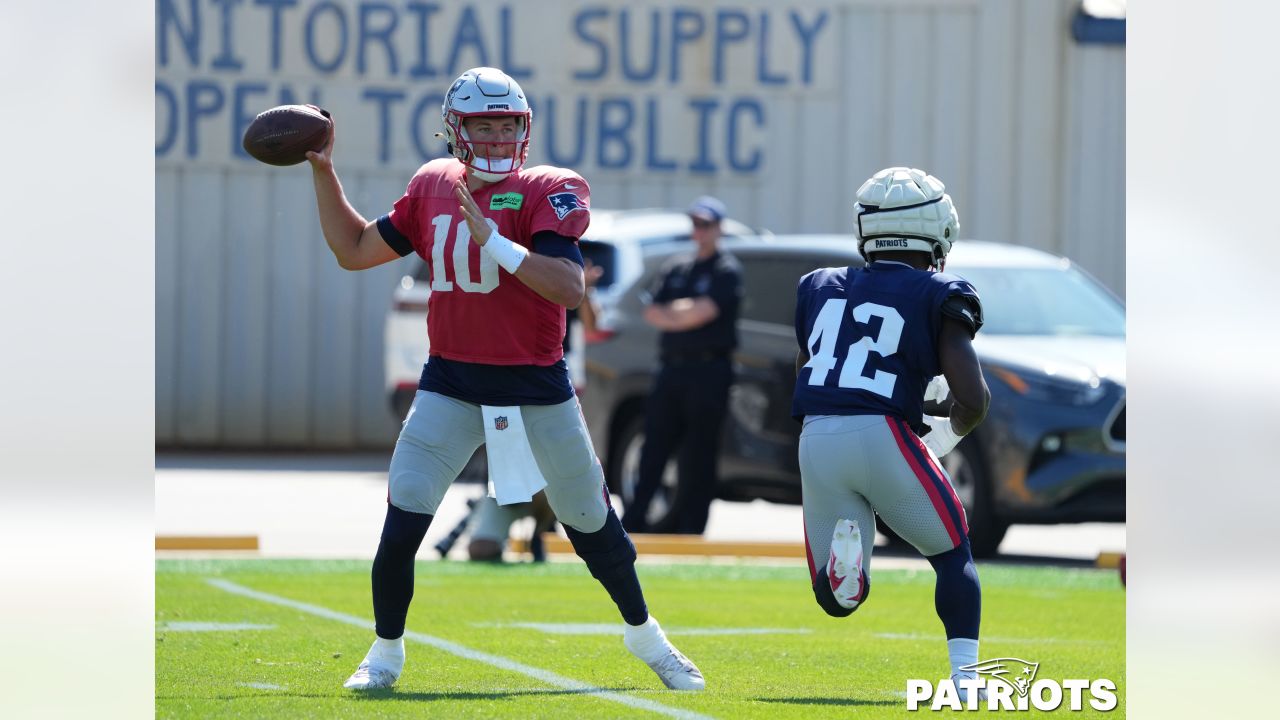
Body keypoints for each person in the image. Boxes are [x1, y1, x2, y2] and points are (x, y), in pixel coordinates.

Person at [303, 66, 703, 692]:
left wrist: (498, 243)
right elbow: (354, 249)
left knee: (590, 520)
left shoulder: (551, 186)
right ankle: (384, 654)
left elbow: (569, 288)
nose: (495, 136)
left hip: (535, 385)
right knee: (405, 510)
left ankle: (647, 637)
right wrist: (323, 172)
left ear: (525, 128)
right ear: (454, 131)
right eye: (482, 124)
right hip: (452, 382)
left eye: (507, 123)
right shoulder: (432, 185)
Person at [791, 167, 991, 703]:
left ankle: (847, 570)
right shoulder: (941, 291)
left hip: (817, 435)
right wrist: (945, 436)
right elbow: (974, 399)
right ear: (936, 227)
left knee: (837, 602)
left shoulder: (818, 285)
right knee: (952, 555)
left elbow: (811, 369)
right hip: (884, 434)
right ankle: (966, 681)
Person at [621, 197, 743, 535]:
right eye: (696, 224)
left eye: (706, 225)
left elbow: (704, 311)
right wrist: (682, 313)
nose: (699, 231)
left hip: (709, 371)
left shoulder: (726, 270)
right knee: (654, 446)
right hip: (671, 369)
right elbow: (653, 312)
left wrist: (677, 313)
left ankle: (691, 528)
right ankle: (634, 520)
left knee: (698, 453)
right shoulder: (677, 267)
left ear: (719, 229)